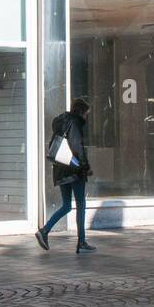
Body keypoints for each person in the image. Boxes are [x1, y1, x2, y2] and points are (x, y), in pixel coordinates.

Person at [35, 98, 95, 254]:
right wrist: (86, 167)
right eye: (87, 113)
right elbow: (77, 147)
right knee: (80, 205)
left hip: (60, 169)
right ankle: (81, 242)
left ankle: (45, 231)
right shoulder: (74, 123)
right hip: (74, 170)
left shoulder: (61, 123)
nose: (87, 117)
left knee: (67, 205)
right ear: (81, 112)